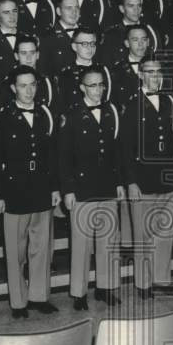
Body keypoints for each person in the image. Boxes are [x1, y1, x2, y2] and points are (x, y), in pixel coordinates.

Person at [0, 66, 60, 319]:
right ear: (13, 88)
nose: (29, 90)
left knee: (41, 248)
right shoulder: (2, 116)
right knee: (16, 251)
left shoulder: (45, 113)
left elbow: (52, 153)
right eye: (23, 86)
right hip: (15, 191)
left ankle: (39, 296)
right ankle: (18, 302)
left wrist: (54, 187)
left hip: (42, 188)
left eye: (32, 84)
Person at [59, 68, 125, 310]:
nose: (98, 90)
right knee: (81, 244)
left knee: (108, 241)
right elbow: (63, 157)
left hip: (107, 184)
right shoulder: (71, 115)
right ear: (82, 88)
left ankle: (105, 288)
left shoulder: (111, 111)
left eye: (100, 85)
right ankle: (79, 293)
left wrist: (119, 182)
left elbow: (117, 150)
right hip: (82, 187)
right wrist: (68, 189)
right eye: (92, 85)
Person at [118, 59, 173, 298]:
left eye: (158, 72)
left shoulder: (168, 102)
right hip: (142, 179)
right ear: (140, 74)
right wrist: (131, 182)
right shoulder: (131, 105)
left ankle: (162, 279)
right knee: (143, 235)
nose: (155, 77)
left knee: (164, 231)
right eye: (150, 72)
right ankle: (143, 284)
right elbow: (125, 148)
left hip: (165, 177)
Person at [55, 29, 113, 115]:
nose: (90, 48)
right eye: (84, 44)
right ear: (74, 47)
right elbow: (63, 103)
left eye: (92, 44)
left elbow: (107, 98)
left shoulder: (103, 70)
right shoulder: (65, 73)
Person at [98, 0, 161, 66]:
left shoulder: (151, 31)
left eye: (139, 6)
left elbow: (159, 59)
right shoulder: (111, 35)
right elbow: (107, 64)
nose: (136, 10)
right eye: (131, 6)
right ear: (122, 9)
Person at [37, 0, 83, 77]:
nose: (74, 12)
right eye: (69, 8)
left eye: (77, 8)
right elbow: (43, 71)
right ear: (58, 11)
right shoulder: (46, 38)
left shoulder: (87, 34)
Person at [13, 35, 57, 110]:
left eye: (32, 53)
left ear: (37, 55)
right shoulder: (9, 83)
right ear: (16, 56)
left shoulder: (47, 82)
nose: (28, 58)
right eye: (24, 53)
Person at [109, 25, 151, 103]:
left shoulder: (158, 67)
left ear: (148, 42)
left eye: (144, 39)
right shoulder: (117, 71)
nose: (140, 44)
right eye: (135, 40)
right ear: (127, 43)